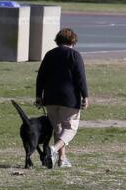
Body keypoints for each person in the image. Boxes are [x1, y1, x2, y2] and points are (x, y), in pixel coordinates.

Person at [35, 27, 90, 168]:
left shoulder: (49, 54)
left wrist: (38, 95)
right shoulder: (74, 55)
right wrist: (85, 96)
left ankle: (62, 159)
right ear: (73, 41)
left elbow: (41, 76)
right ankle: (53, 149)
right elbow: (81, 78)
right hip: (69, 98)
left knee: (58, 128)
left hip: (50, 97)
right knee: (70, 128)